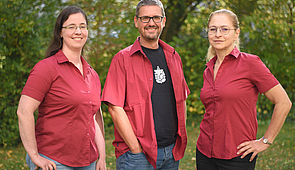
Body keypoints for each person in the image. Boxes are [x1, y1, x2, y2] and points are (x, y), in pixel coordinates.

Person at [196, 9, 292, 170]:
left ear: (237, 33)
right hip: (205, 152)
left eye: (224, 29)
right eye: (213, 29)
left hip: (237, 155)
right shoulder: (208, 68)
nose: (218, 34)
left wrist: (266, 141)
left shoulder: (250, 63)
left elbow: (283, 102)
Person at [102, 0, 190, 169]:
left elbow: (182, 99)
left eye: (156, 17)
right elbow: (114, 107)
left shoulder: (173, 56)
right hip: (137, 156)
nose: (151, 23)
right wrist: (135, 148)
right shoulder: (122, 59)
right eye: (145, 18)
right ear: (136, 22)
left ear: (163, 21)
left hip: (171, 152)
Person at [17, 6, 106, 170]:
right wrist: (34, 156)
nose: (78, 31)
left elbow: (94, 118)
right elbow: (24, 111)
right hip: (54, 161)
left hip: (89, 162)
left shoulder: (92, 74)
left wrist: (102, 158)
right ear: (60, 32)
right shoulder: (46, 68)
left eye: (82, 26)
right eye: (71, 27)